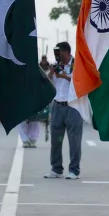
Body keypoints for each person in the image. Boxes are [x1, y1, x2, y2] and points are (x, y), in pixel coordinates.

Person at [44, 42, 82, 180]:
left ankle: (74, 170)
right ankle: (56, 168)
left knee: (74, 140)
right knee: (56, 139)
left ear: (66, 53)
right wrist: (52, 72)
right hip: (58, 105)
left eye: (60, 54)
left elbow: (80, 81)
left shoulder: (77, 64)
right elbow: (47, 82)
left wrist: (65, 76)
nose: (58, 56)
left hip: (73, 106)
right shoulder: (56, 65)